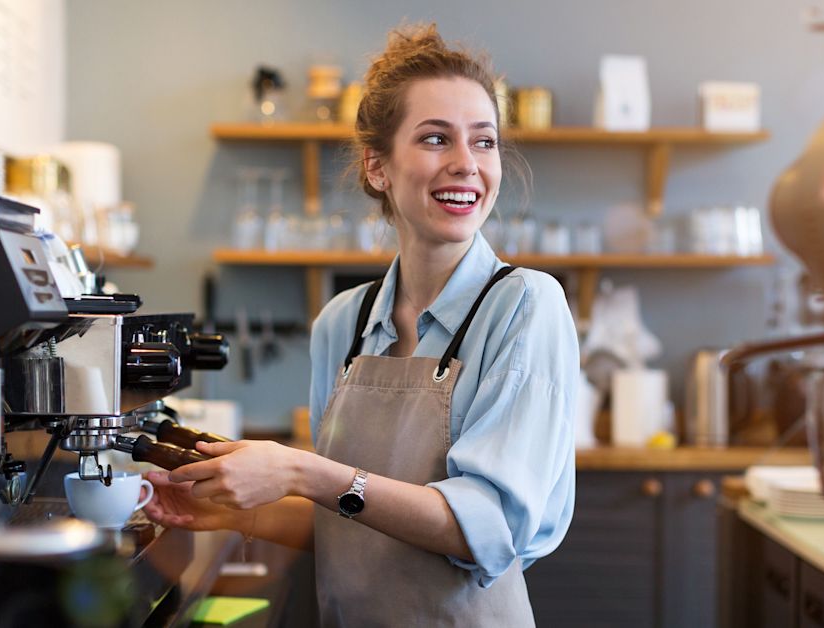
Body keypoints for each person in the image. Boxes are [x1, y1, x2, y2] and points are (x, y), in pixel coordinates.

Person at [144, 23, 578, 627]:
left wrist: (298, 469)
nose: (466, 165)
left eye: (484, 142)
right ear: (378, 167)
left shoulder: (525, 305)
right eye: (435, 139)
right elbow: (348, 518)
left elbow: (490, 529)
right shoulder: (343, 323)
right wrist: (234, 509)